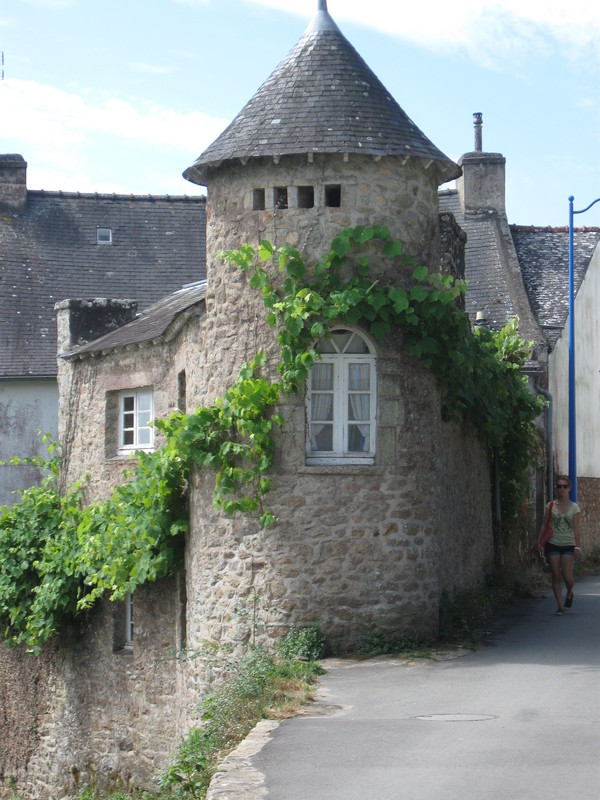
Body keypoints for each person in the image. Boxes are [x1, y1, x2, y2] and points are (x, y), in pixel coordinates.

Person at [536, 475, 581, 615]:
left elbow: (576, 528)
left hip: (569, 544)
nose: (561, 489)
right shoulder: (550, 506)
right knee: (555, 574)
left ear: (569, 488)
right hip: (553, 543)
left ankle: (570, 592)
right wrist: (539, 542)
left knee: (566, 575)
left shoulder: (574, 507)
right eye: (559, 486)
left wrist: (577, 546)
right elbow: (544, 525)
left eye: (564, 486)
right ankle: (560, 607)